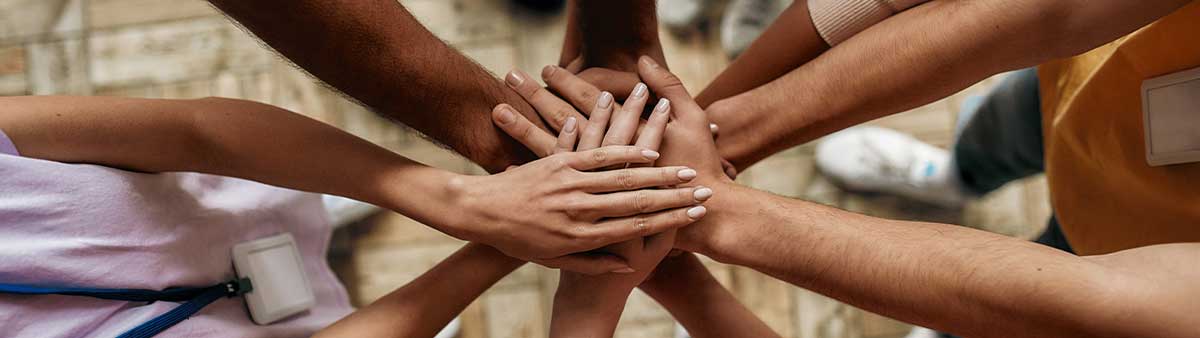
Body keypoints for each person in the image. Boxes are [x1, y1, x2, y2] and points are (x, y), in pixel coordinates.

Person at [502, 54, 1200, 337]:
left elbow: (1104, 303)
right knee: (1019, 122)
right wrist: (727, 135)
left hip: (1149, 255)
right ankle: (955, 177)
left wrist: (694, 208)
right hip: (1107, 91)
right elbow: (1050, 13)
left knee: (1041, 307)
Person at [0, 95, 709, 337]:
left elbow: (193, 134)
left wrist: (465, 203)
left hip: (223, 195)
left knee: (277, 203)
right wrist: (504, 241)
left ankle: (337, 205)